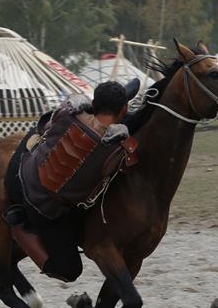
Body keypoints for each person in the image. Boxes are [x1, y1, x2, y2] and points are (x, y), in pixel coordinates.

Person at [8, 80, 139, 281]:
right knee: (68, 271)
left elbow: (46, 126)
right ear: (125, 109)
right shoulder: (114, 149)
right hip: (46, 207)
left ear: (94, 102)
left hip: (27, 174)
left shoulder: (69, 112)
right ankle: (18, 226)